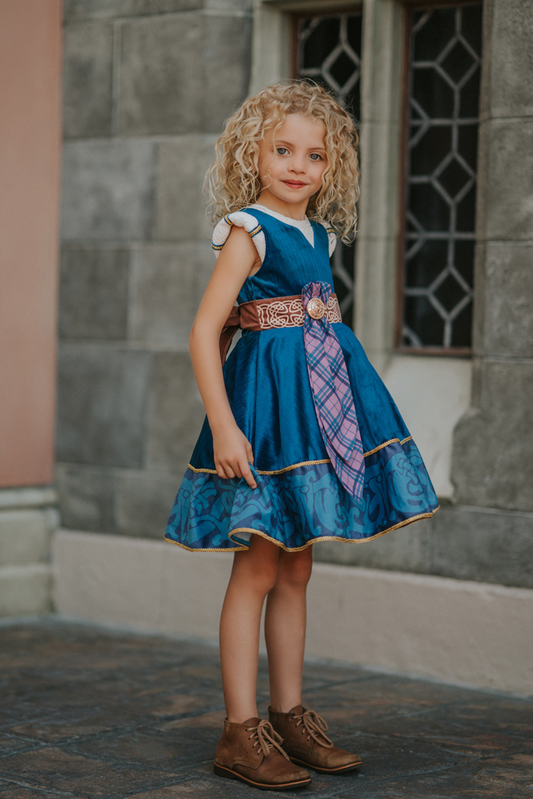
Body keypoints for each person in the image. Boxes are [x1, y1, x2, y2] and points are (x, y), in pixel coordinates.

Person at [165, 81, 439, 791]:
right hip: (266, 415)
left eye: (313, 155)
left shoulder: (318, 233)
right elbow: (204, 328)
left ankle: (288, 716)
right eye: (282, 149)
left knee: (297, 565)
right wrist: (226, 423)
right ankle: (238, 728)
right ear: (251, 153)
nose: (297, 165)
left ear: (329, 167)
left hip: (318, 411)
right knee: (256, 566)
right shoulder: (246, 229)